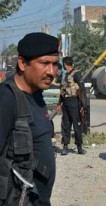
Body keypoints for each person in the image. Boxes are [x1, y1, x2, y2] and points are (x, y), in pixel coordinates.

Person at [0, 32, 60, 205]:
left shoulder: (36, 95)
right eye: (44, 63)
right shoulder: (7, 98)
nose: (51, 72)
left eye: (55, 64)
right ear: (22, 63)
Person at [56, 56, 87, 155]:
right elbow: (63, 91)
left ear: (65, 64)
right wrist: (59, 103)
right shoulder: (66, 76)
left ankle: (79, 147)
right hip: (66, 103)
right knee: (65, 125)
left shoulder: (76, 74)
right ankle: (65, 146)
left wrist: (83, 105)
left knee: (77, 125)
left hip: (74, 102)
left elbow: (82, 89)